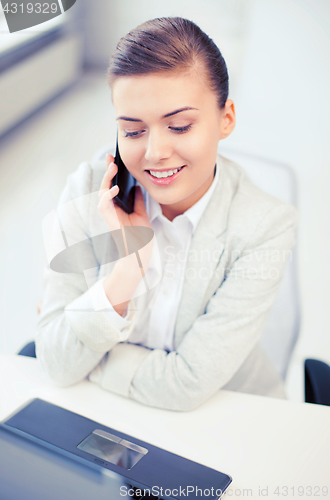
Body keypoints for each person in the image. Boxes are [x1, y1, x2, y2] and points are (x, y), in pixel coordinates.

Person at [36, 16, 298, 411]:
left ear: (225, 118)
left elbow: (186, 385)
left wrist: (91, 362)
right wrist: (126, 273)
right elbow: (55, 363)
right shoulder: (90, 190)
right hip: (107, 413)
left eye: (178, 126)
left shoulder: (265, 226)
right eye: (134, 130)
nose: (154, 152)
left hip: (227, 417)